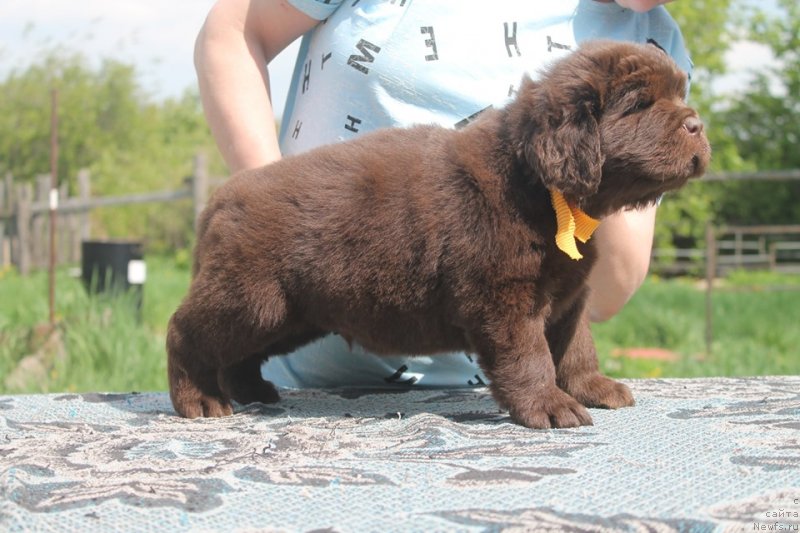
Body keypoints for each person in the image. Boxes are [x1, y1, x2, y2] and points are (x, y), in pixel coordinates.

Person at [194, 0, 687, 388]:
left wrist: (597, 166)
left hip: (498, 401)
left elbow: (609, 290)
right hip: (306, 370)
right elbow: (234, 34)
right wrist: (272, 224)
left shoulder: (654, 41)